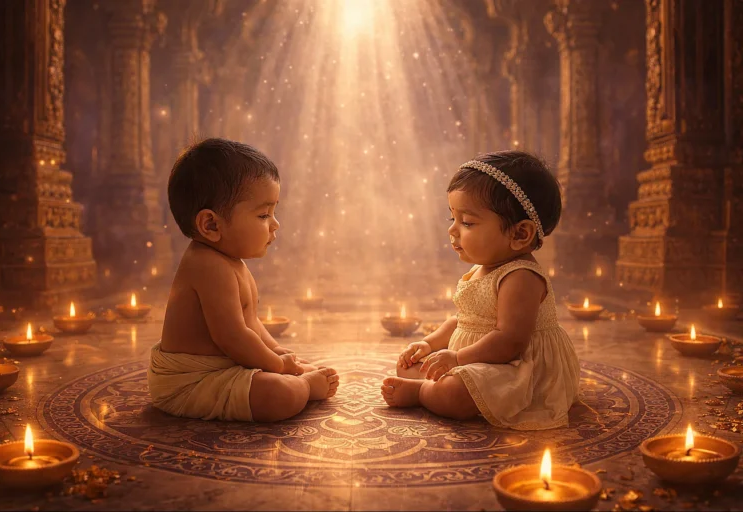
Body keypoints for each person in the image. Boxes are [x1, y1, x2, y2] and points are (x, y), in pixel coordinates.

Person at [381, 151, 579, 430]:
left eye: (468, 223)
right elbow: (460, 322)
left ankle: (421, 393)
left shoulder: (521, 276)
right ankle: (432, 383)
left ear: (520, 234)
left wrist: (457, 358)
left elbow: (510, 341)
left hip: (515, 367)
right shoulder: (483, 267)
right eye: (452, 218)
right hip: (478, 358)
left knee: (456, 393)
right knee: (409, 366)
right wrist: (429, 344)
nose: (453, 230)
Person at [149, 138, 339, 423]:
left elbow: (251, 322)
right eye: (263, 214)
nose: (275, 224)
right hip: (190, 383)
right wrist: (277, 366)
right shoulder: (207, 266)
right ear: (211, 225)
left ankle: (295, 377)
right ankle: (303, 386)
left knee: (283, 369)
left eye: (273, 212)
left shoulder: (231, 261)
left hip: (220, 368)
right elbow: (233, 337)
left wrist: (276, 350)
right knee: (279, 394)